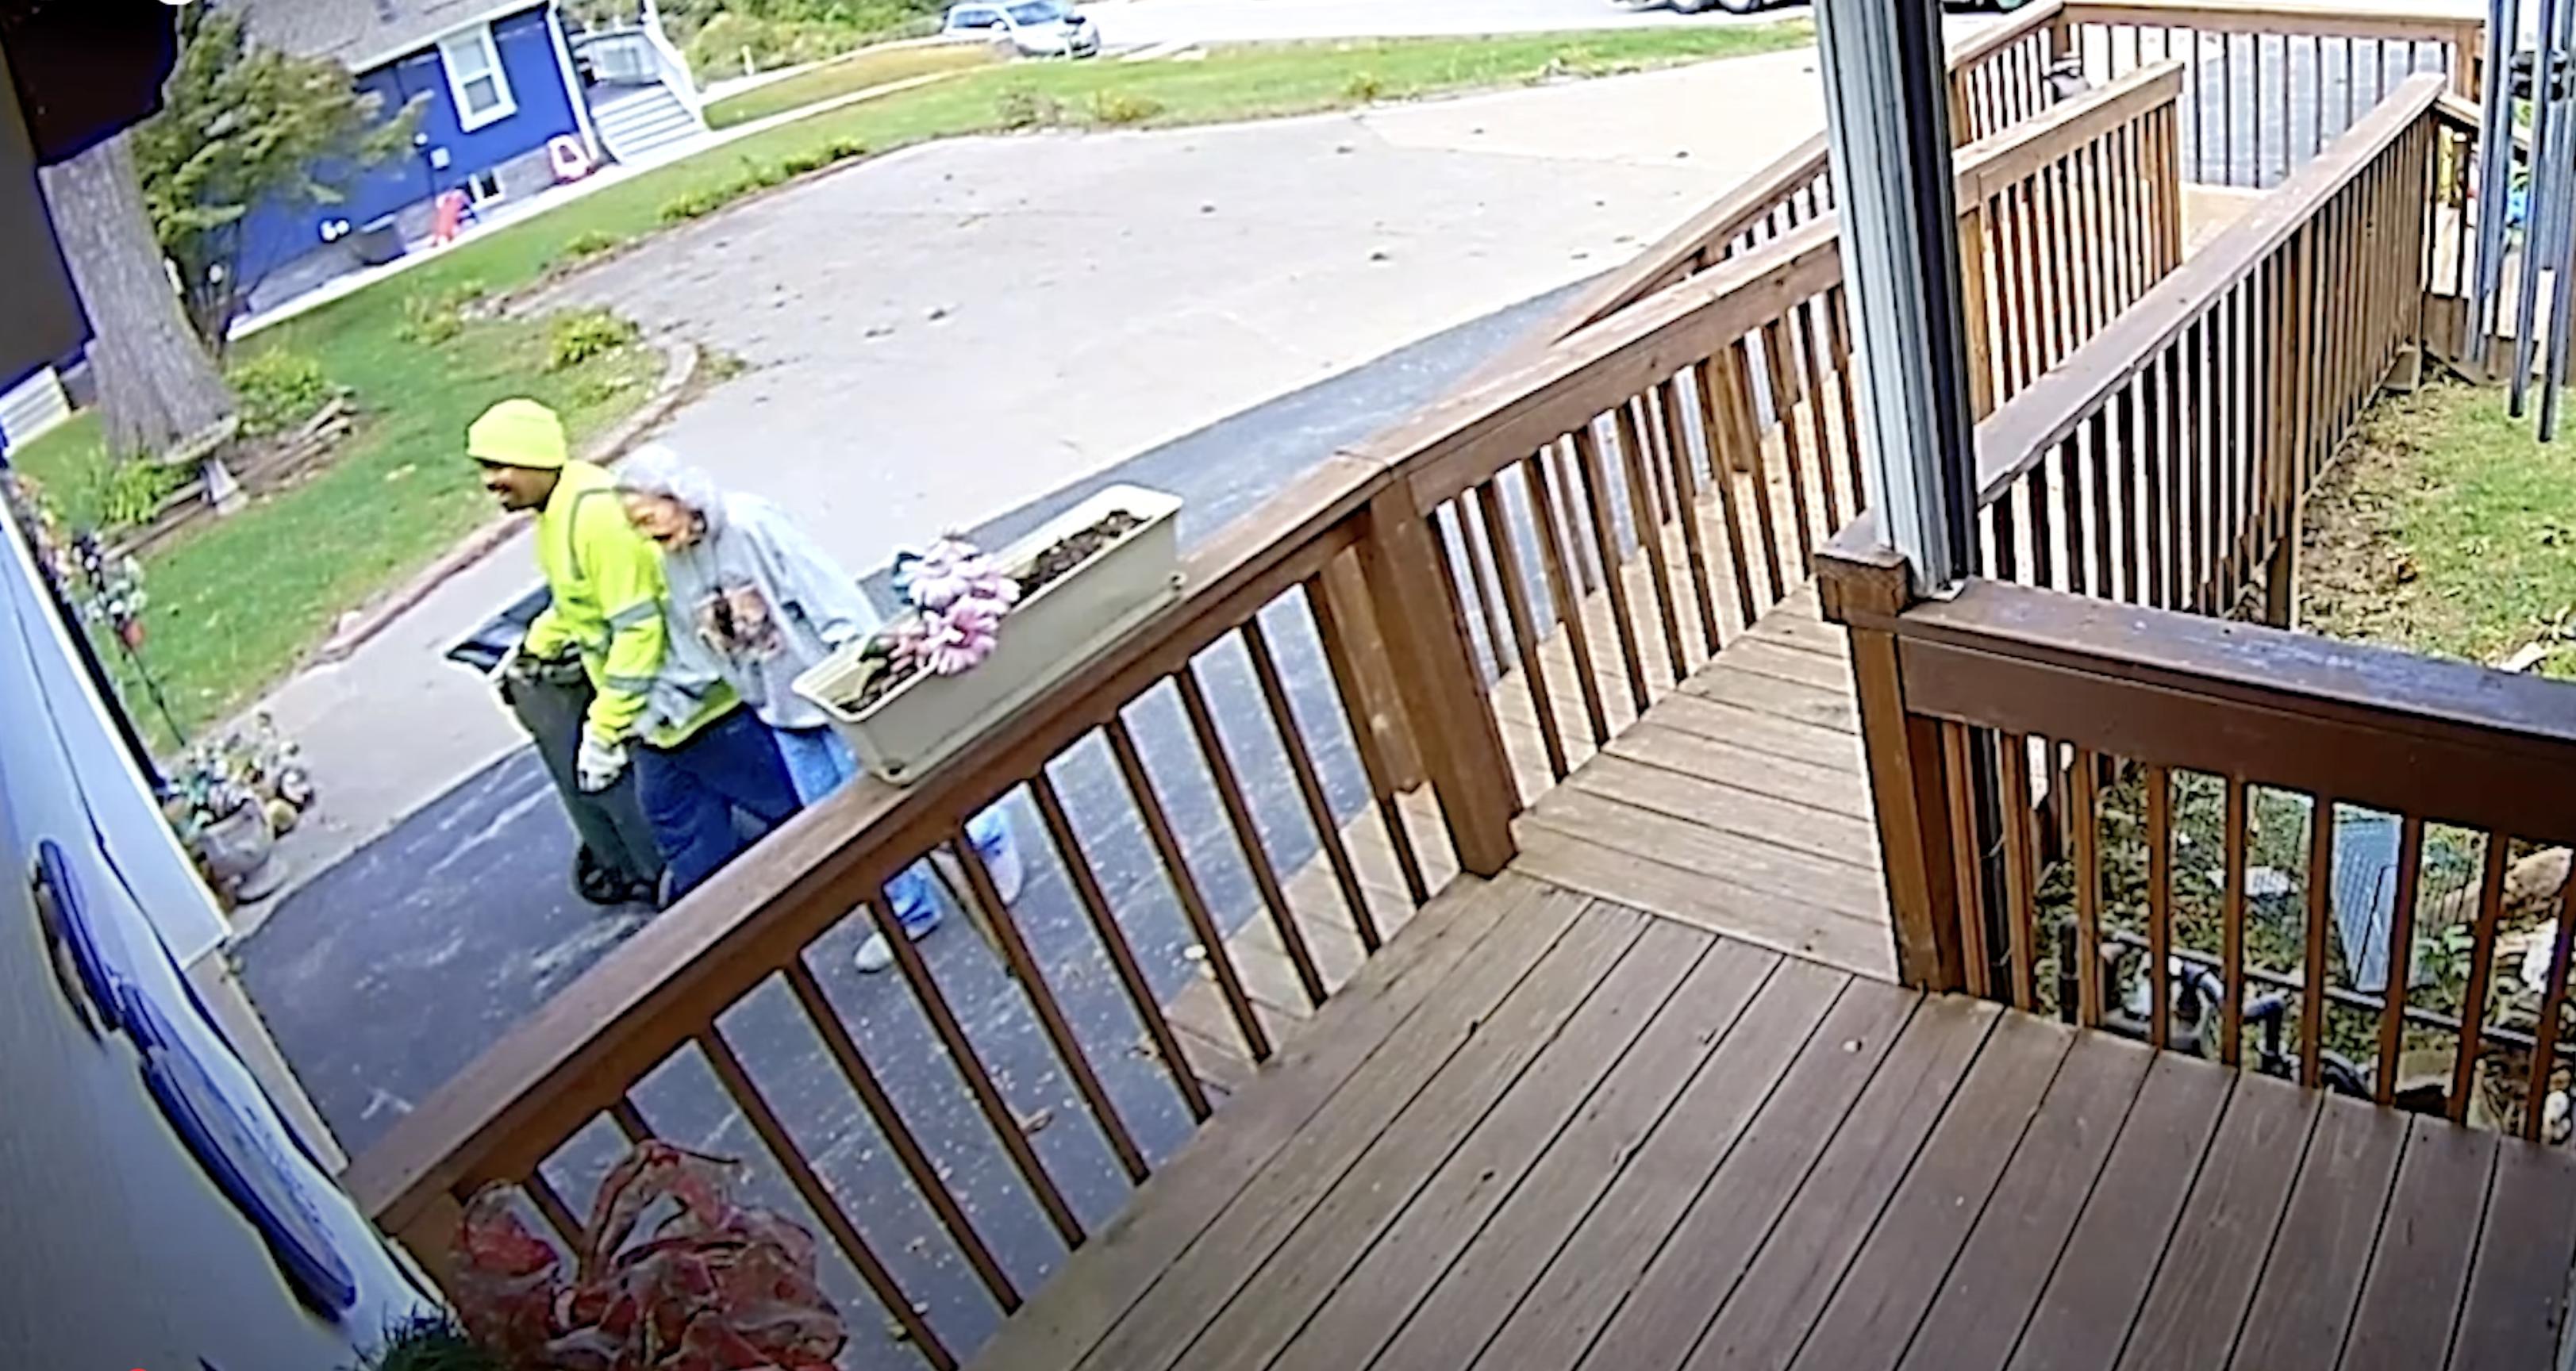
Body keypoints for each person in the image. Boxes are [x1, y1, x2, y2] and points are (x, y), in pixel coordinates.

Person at [612, 445, 1023, 972]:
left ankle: (986, 838)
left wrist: (862, 674)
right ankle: (906, 908)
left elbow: (826, 594)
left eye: (648, 518)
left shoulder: (750, 526)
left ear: (679, 498)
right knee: (840, 823)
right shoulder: (675, 562)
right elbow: (699, 645)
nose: (647, 534)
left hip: (837, 694)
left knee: (904, 789)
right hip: (781, 709)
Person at [467, 400, 801, 901]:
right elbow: (584, 605)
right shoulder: (560, 514)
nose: (490, 481)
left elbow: (637, 630)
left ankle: (891, 882)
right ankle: (716, 935)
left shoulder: (594, 517)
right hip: (659, 721)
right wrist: (533, 646)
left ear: (536, 459)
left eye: (499, 465)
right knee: (680, 829)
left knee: (801, 811)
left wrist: (604, 730)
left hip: (694, 708)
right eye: (484, 468)